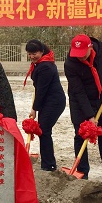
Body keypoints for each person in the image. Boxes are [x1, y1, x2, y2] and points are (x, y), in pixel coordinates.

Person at [64, 34, 102, 181]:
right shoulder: (70, 64)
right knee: (80, 135)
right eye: (77, 54)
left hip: (100, 97)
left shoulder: (101, 48)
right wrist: (89, 116)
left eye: (83, 54)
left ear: (90, 48)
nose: (80, 57)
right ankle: (83, 172)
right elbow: (79, 92)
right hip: (79, 101)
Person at [24, 39, 66, 171]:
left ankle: (49, 165)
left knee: (44, 131)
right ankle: (47, 162)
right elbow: (39, 90)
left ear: (42, 51)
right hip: (47, 101)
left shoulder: (46, 67)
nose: (32, 56)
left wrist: (34, 109)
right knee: (44, 131)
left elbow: (41, 91)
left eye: (34, 53)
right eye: (29, 54)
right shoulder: (41, 64)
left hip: (54, 102)